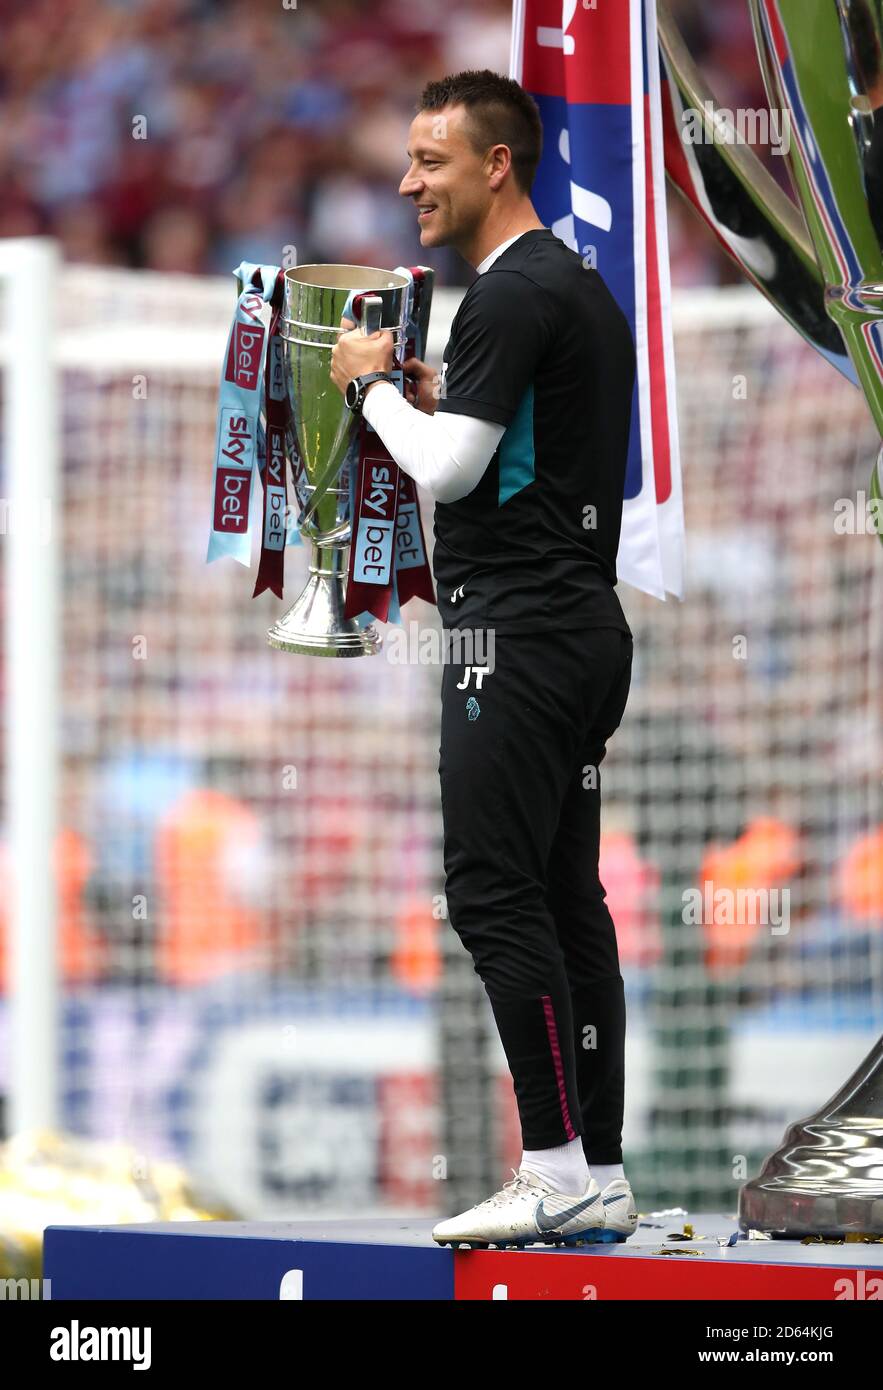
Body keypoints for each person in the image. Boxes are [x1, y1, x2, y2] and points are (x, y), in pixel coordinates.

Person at [330, 69, 637, 1249]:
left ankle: (553, 1166)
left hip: (511, 633)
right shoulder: (574, 288)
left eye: (431, 159)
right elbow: (518, 446)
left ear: (496, 163)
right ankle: (596, 1169)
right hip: (578, 630)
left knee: (493, 892)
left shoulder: (511, 293)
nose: (408, 180)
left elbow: (453, 472)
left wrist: (368, 397)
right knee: (566, 900)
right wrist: (439, 394)